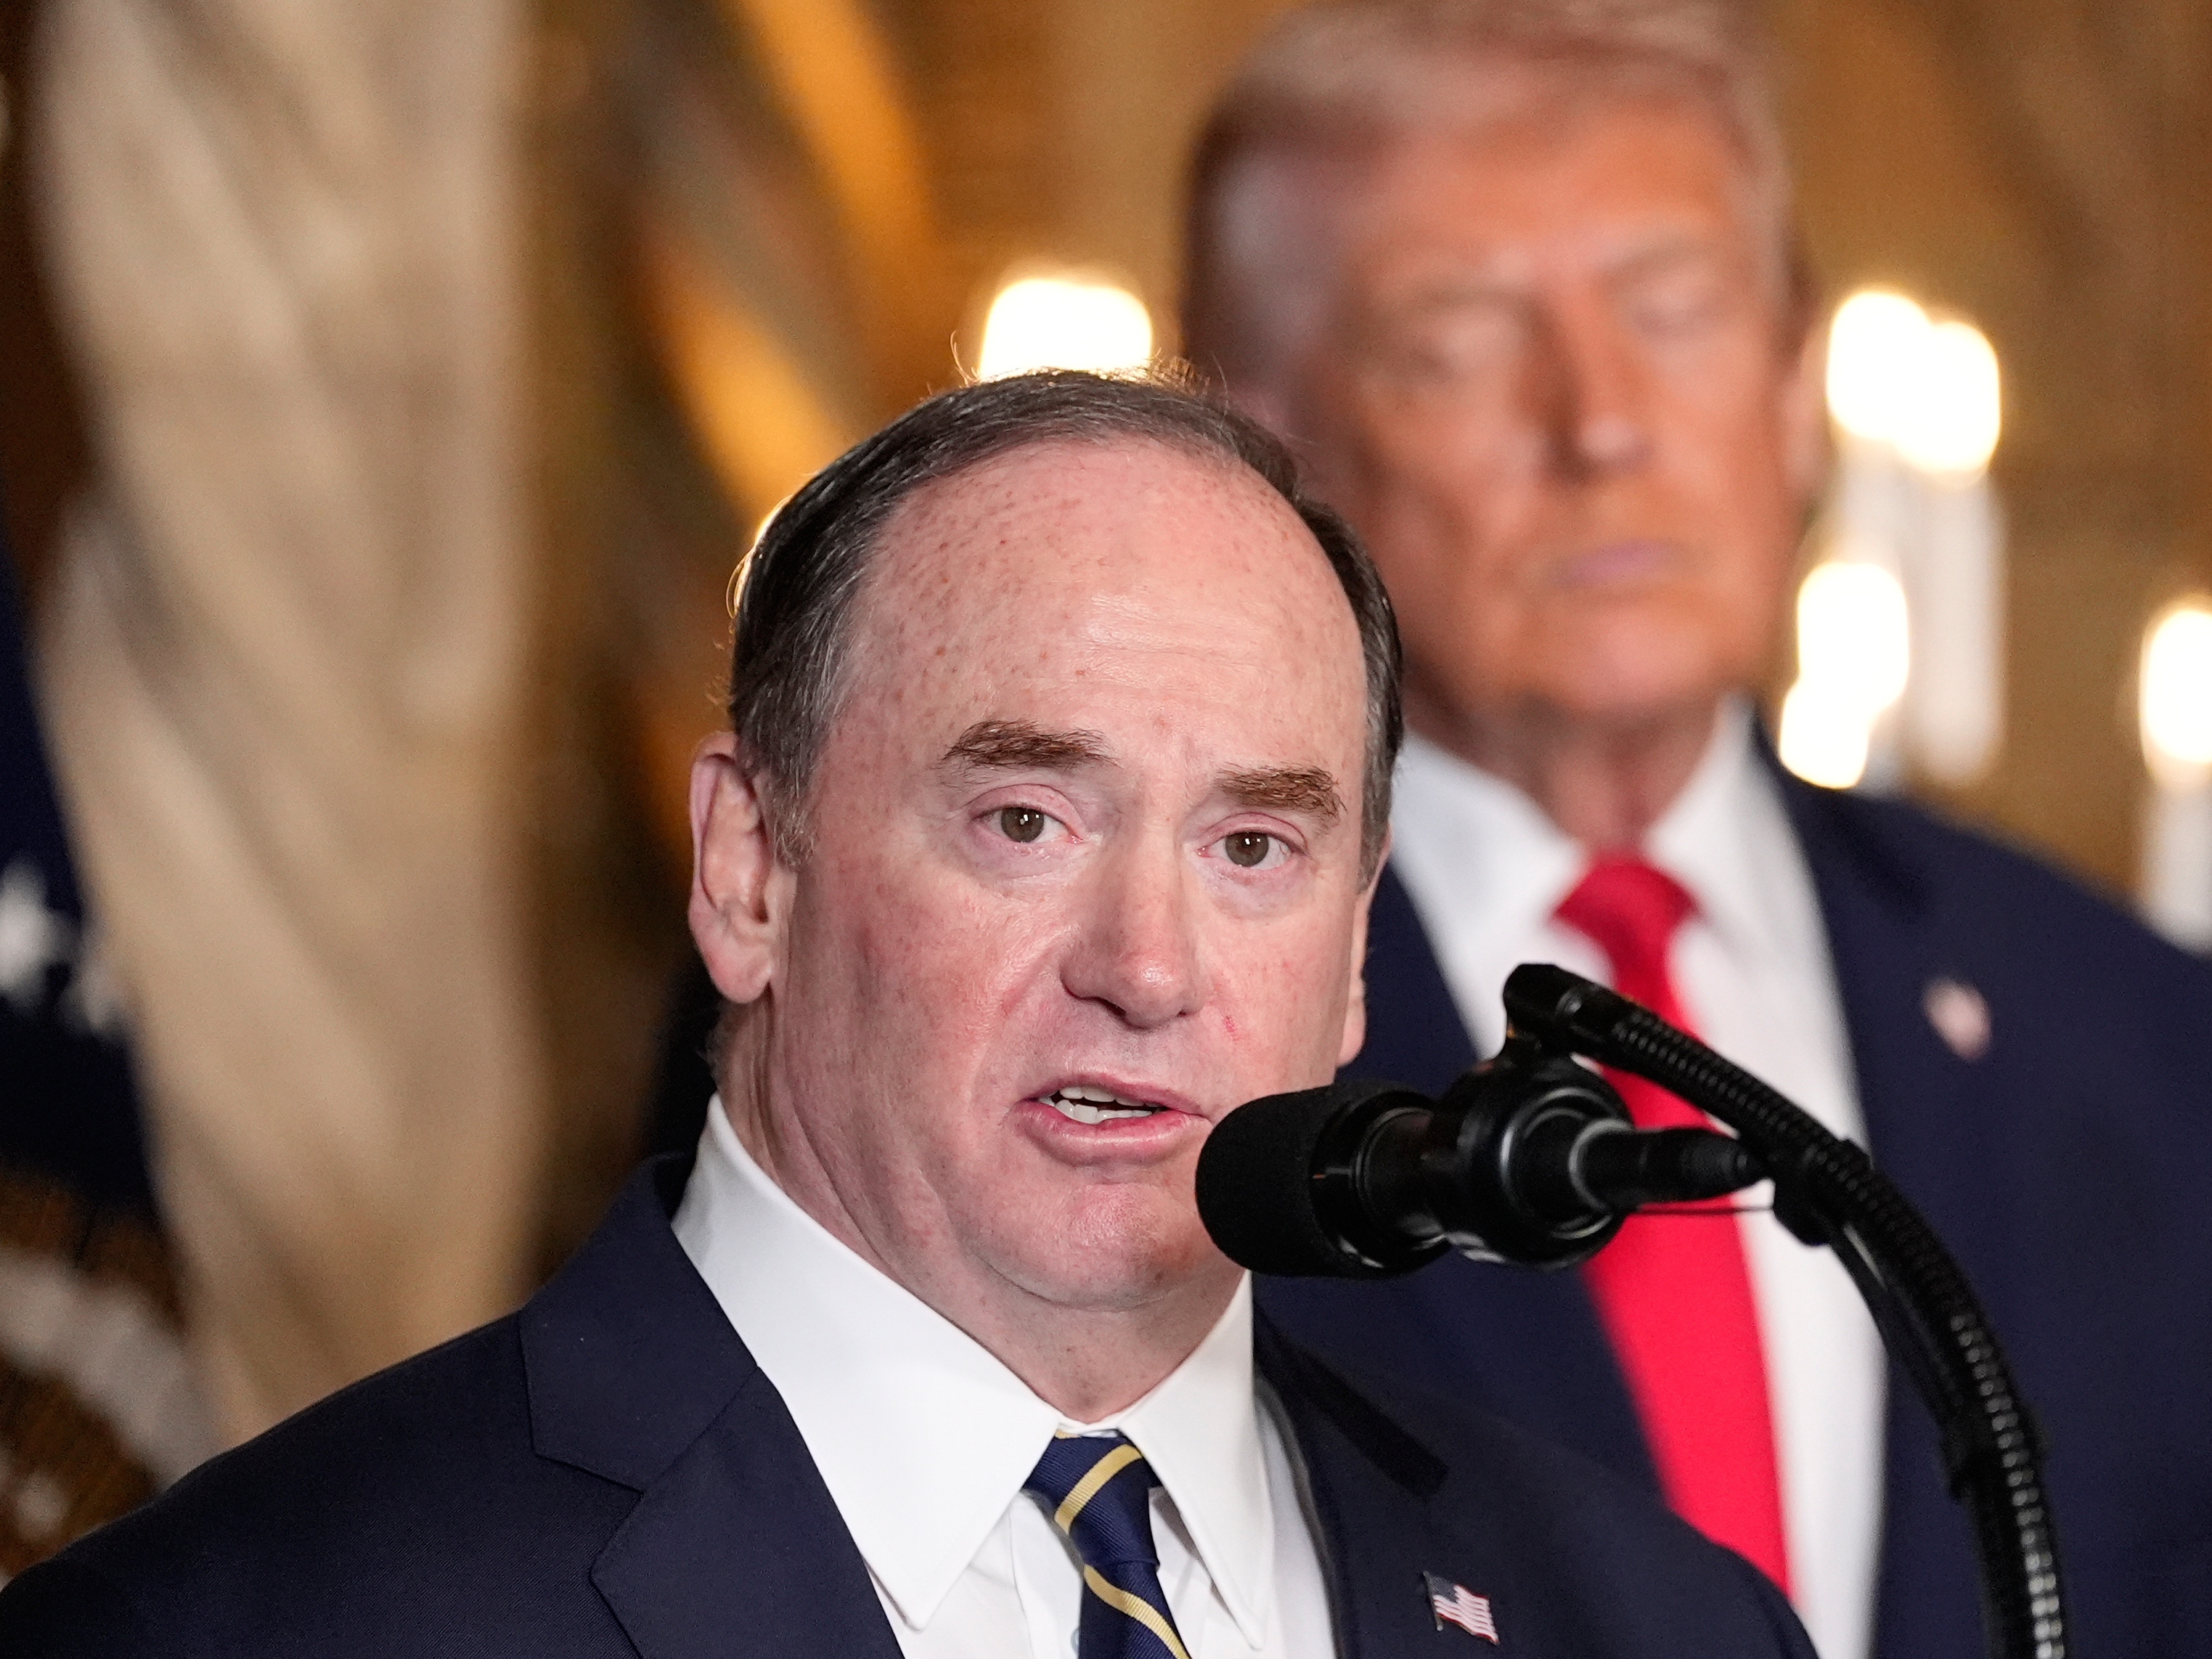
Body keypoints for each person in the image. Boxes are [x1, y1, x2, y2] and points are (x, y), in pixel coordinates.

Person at [0, 370, 1816, 1658]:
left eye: (1255, 843)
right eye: (1026, 819)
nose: (1152, 962)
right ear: (748, 874)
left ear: (1354, 954)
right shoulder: (250, 1626)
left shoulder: (1656, 1622)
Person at [1180, 5, 2212, 1659]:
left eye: (1673, 313)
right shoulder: (1130, 1027)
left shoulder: (2132, 1034)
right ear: (1261, 437)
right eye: (1455, 339)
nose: (1599, 426)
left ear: (1799, 389)